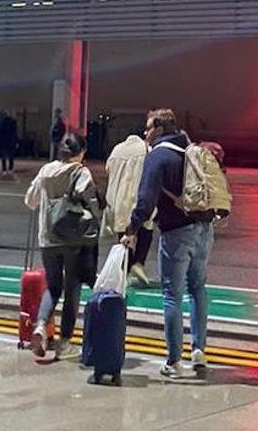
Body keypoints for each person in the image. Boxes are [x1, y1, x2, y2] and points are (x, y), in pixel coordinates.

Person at [123, 108, 216, 379]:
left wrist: (133, 227)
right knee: (198, 288)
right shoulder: (193, 151)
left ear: (161, 129)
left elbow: (146, 198)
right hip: (204, 228)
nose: (145, 133)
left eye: (149, 127)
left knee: (172, 295)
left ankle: (174, 361)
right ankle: (198, 349)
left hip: (176, 232)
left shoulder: (159, 156)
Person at [23, 132, 102, 360]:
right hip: (73, 238)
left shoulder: (46, 171)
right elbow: (88, 198)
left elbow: (30, 201)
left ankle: (40, 326)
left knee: (53, 287)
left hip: (48, 238)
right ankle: (65, 342)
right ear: (81, 152)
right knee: (72, 288)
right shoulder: (80, 171)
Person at [105, 131, 153, 287]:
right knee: (146, 228)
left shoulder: (116, 149)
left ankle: (127, 266)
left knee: (123, 234)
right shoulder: (146, 149)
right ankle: (138, 262)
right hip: (137, 197)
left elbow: (108, 169)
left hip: (116, 198)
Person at [0, 109, 19, 177]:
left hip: (3, 141)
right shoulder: (12, 122)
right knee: (11, 155)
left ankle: (4, 170)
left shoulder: (0, 121)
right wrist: (16, 141)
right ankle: (10, 169)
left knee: (3, 156)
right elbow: (14, 133)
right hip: (10, 141)